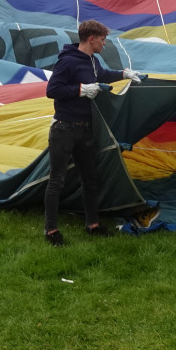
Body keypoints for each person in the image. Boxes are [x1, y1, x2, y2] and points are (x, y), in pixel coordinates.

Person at [43, 20, 145, 245]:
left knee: (90, 180)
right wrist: (81, 90)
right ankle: (51, 230)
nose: (104, 43)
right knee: (57, 181)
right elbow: (52, 90)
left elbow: (103, 75)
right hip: (64, 128)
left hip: (86, 129)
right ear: (91, 39)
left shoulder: (93, 60)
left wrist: (124, 73)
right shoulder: (68, 61)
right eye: (102, 39)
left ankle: (93, 225)